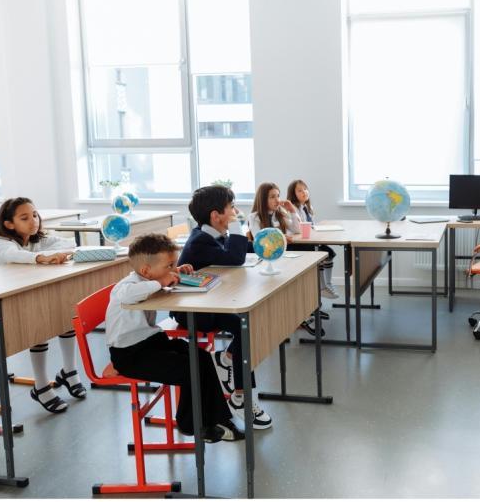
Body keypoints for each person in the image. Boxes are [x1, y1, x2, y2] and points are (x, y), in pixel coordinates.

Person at [105, 233, 244, 442]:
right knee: (190, 369)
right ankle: (191, 424)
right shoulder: (126, 286)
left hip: (152, 341)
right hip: (130, 354)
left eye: (173, 264)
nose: (172, 269)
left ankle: (217, 418)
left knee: (203, 358)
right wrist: (162, 282)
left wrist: (175, 273)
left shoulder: (149, 277)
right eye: (168, 266)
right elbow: (127, 295)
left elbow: (157, 282)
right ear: (145, 271)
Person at [173, 185, 272, 430]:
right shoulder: (199, 242)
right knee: (244, 326)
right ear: (216, 216)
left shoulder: (211, 234)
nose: (235, 211)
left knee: (250, 320)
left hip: (210, 301)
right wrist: (239, 225)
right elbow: (235, 258)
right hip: (193, 312)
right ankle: (241, 396)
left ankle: (227, 357)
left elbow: (238, 252)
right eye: (231, 209)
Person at [0, 197, 85, 414]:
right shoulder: (2, 242)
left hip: (24, 294)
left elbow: (68, 244)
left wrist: (47, 254)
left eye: (35, 215)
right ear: (9, 223)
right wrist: (43, 258)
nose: (34, 221)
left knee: (65, 315)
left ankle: (69, 371)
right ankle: (40, 386)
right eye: (25, 218)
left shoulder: (35, 240)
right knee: (38, 325)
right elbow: (16, 256)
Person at [248, 182, 323, 337]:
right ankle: (297, 316)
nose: (277, 200)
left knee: (305, 265)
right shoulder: (254, 217)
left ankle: (305, 312)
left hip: (282, 256)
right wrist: (281, 237)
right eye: (272, 197)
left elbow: (296, 229)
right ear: (263, 199)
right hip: (266, 260)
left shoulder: (279, 212)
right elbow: (259, 237)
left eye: (278, 195)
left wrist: (292, 211)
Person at [287, 178, 340, 300]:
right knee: (320, 254)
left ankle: (327, 284)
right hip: (296, 244)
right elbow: (298, 229)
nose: (304, 192)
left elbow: (310, 226)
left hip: (307, 241)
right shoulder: (292, 209)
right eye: (299, 190)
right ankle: (321, 287)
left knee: (330, 253)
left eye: (305, 189)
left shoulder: (306, 206)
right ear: (293, 194)